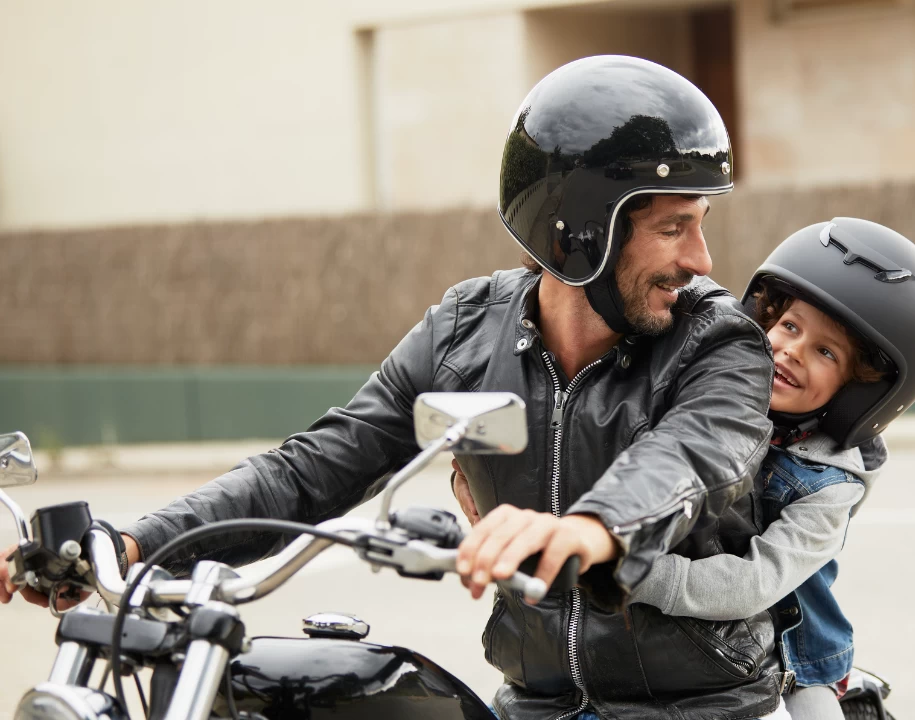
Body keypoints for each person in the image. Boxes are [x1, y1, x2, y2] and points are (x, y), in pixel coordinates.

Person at [3, 56, 789, 720]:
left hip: (703, 706)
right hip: (540, 701)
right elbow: (315, 466)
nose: (702, 260)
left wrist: (589, 528)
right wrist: (136, 543)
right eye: (675, 226)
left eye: (700, 223)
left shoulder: (717, 344)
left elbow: (689, 458)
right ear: (582, 228)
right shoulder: (462, 335)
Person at [456, 217, 915, 720]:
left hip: (789, 657)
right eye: (789, 327)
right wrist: (476, 466)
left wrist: (627, 568)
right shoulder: (707, 393)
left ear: (857, 392)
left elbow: (753, 583)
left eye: (825, 351)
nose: (792, 350)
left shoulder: (830, 485)